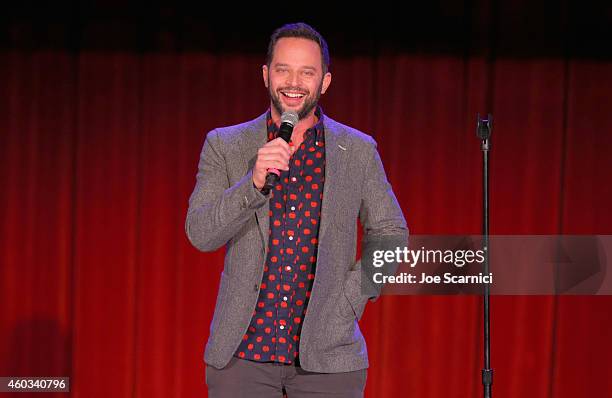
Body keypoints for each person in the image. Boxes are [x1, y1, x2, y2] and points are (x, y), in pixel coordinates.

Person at [185, 22, 408, 398]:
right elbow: (201, 233)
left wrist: (352, 297)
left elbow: (391, 233)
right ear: (266, 74)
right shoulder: (225, 144)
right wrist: (252, 184)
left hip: (329, 362)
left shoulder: (357, 150)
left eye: (307, 72)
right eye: (283, 69)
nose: (294, 82)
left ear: (325, 82)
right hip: (243, 359)